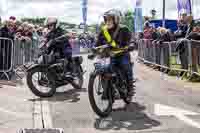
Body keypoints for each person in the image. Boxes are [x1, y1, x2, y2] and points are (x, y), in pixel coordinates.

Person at [96, 9, 135, 102]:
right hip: (108, 55)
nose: (108, 22)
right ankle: (108, 90)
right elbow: (97, 43)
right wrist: (93, 50)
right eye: (106, 19)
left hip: (121, 54)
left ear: (116, 19)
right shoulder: (103, 31)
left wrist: (130, 45)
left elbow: (131, 40)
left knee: (126, 67)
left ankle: (130, 90)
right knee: (101, 69)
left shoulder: (123, 29)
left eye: (110, 19)